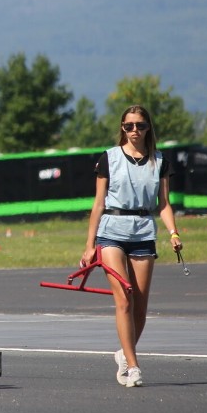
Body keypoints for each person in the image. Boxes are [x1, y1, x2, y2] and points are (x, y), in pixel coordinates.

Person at [81, 105, 182, 388]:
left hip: (143, 232)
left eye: (140, 125)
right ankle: (134, 366)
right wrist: (89, 245)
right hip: (111, 232)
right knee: (124, 298)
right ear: (122, 128)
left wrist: (173, 233)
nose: (134, 131)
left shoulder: (160, 161)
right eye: (129, 126)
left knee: (140, 306)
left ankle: (124, 354)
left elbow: (163, 204)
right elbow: (98, 204)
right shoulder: (109, 159)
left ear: (149, 128)